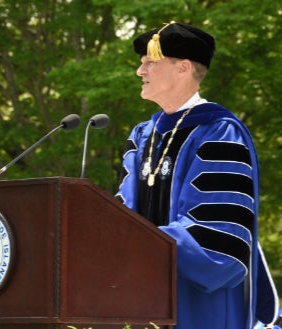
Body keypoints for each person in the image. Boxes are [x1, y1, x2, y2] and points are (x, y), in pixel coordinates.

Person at [115, 21, 279, 329]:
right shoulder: (142, 136)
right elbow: (121, 212)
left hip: (200, 302)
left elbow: (218, 233)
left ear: (183, 68)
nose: (140, 71)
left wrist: (144, 247)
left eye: (150, 63)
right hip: (140, 298)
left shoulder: (220, 132)